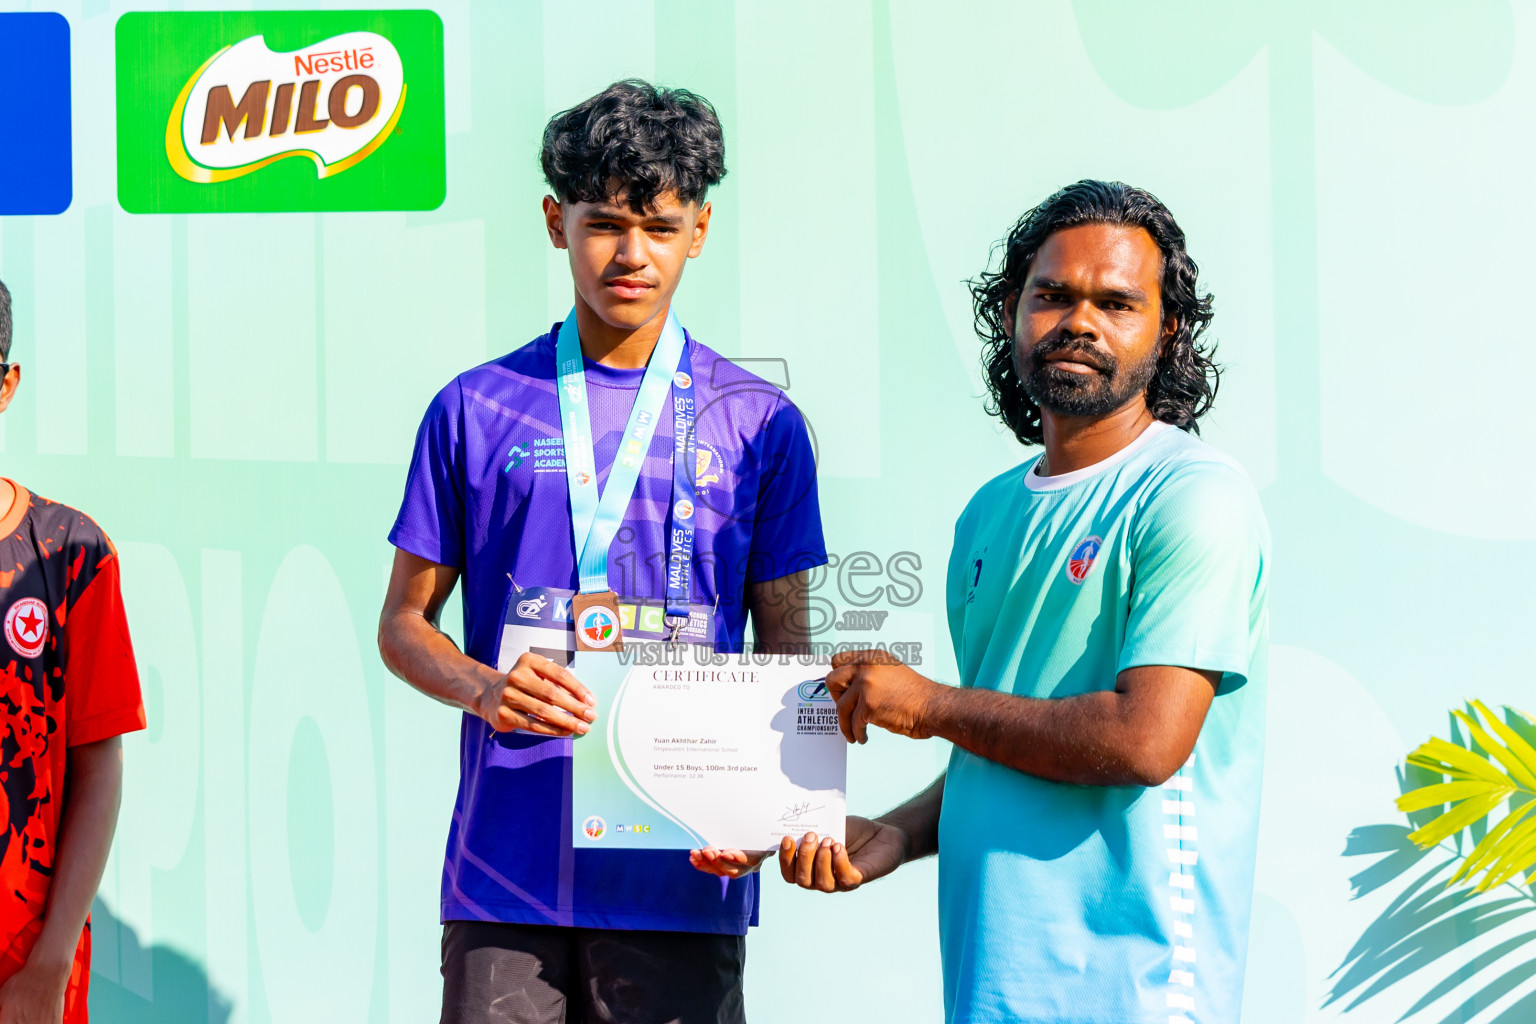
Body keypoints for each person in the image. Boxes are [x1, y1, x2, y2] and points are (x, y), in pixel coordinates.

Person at [378, 80, 826, 1024]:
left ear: (699, 230)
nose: (632, 254)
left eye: (660, 227)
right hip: (506, 878)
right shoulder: (475, 406)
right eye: (605, 223)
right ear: (556, 221)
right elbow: (403, 625)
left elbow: (789, 649)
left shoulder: (761, 424)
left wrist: (773, 812)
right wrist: (484, 687)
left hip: (685, 868)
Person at [780, 181, 1270, 1024]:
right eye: (1053, 295)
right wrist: (898, 833)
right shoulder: (989, 513)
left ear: (1169, 330)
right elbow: (1009, 733)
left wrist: (929, 705)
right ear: (1012, 310)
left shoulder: (1193, 495)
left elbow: (1143, 741)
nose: (1080, 321)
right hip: (992, 980)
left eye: (1117, 302)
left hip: (1133, 988)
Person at [0, 279, 146, 1023]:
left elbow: (98, 764)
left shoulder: (71, 554)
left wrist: (51, 961)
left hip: (23, 967)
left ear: (6, 385)